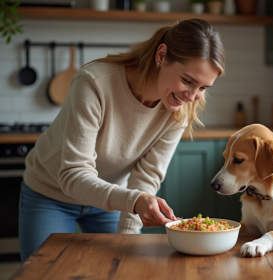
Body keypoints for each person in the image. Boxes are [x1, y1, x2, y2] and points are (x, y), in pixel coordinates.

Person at [19, 18, 225, 262]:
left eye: (203, 87)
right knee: (41, 272)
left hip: (109, 198)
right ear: (162, 55)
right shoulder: (94, 83)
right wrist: (134, 201)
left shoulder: (181, 108)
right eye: (188, 81)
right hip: (50, 193)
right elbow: (73, 175)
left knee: (121, 267)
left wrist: (128, 240)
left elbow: (147, 176)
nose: (192, 96)